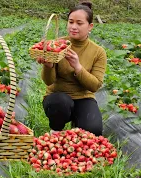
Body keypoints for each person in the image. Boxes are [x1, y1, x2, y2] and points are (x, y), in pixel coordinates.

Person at [37, 2, 107, 136]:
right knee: (60, 102)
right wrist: (48, 66)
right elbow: (48, 81)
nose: (74, 27)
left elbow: (95, 85)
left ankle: (78, 123)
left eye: (79, 23)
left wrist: (78, 67)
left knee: (93, 130)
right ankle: (56, 131)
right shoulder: (57, 45)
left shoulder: (98, 52)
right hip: (58, 97)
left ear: (90, 26)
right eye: (71, 22)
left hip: (83, 97)